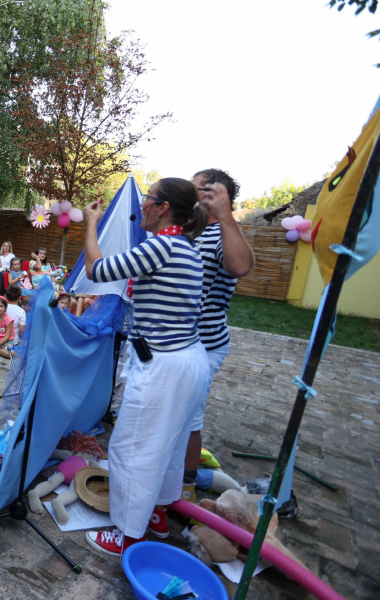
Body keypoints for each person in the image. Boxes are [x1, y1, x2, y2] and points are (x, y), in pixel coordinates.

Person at [81, 177, 210, 556]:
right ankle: (155, 515)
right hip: (187, 359)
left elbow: (97, 270)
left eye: (148, 200)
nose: (142, 208)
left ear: (164, 207)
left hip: (165, 367)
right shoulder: (186, 246)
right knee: (166, 448)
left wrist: (91, 225)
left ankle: (127, 536)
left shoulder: (163, 245)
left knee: (132, 448)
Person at [182, 169, 255, 502]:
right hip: (178, 344)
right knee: (175, 415)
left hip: (204, 346)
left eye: (196, 188)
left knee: (188, 419)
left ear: (214, 195)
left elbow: (240, 266)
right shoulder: (192, 233)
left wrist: (226, 217)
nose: (189, 192)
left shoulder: (222, 233)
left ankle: (183, 488)